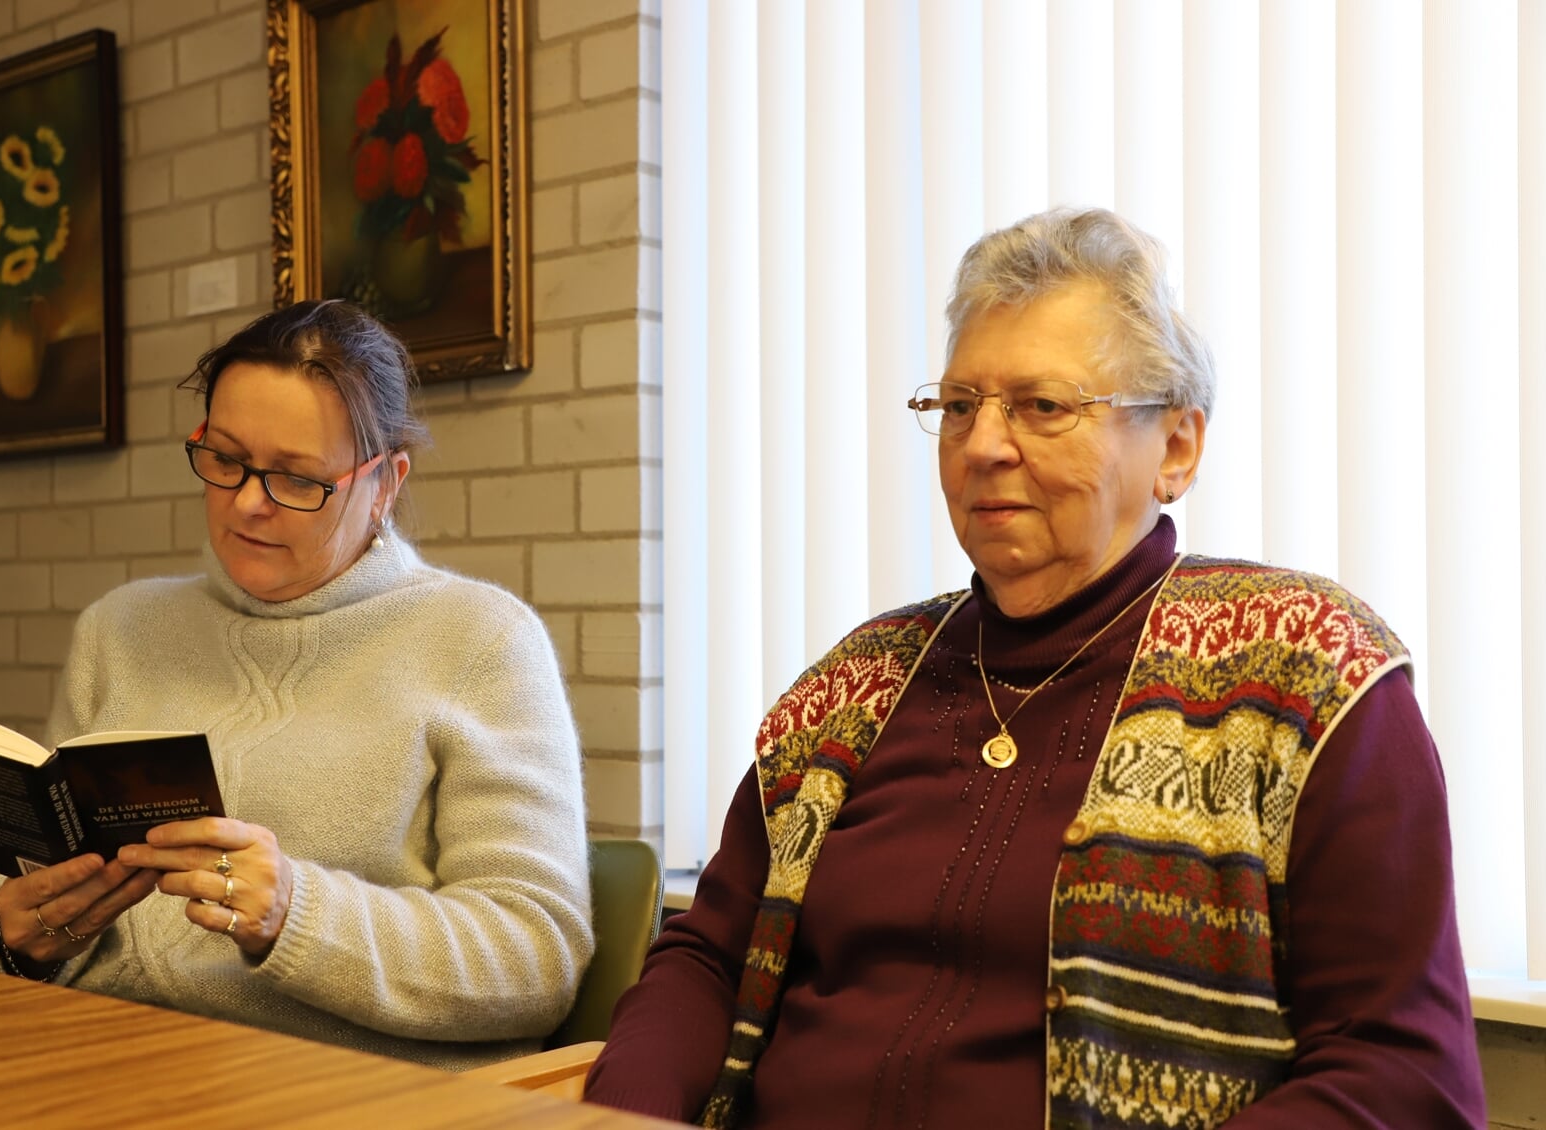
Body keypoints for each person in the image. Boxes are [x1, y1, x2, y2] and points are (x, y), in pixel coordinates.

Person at [584, 208, 1484, 1127]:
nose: (982, 446)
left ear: (1175, 446)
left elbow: (1403, 1076)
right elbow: (708, 959)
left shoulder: (1309, 671)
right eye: (959, 406)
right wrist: (621, 1117)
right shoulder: (853, 688)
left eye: (1043, 406)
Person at [0, 299, 594, 1070]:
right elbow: (11, 894)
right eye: (224, 459)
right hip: (108, 1061)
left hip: (348, 1091)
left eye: (295, 477)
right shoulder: (120, 629)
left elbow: (534, 957)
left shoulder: (479, 641)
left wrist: (295, 911)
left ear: (385, 483)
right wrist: (19, 932)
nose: (248, 503)